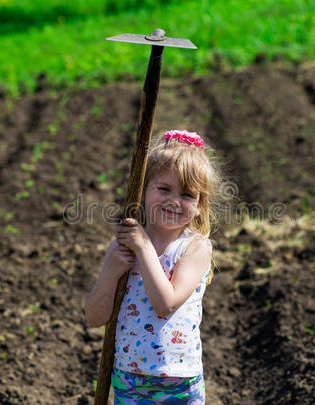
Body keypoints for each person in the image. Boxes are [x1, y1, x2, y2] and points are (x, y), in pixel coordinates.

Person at [85, 130, 221, 404]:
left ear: (199, 205)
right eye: (163, 189)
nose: (173, 200)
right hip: (130, 378)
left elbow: (165, 303)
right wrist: (110, 271)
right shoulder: (124, 248)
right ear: (143, 189)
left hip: (179, 381)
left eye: (186, 194)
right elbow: (95, 318)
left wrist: (144, 248)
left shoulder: (195, 248)